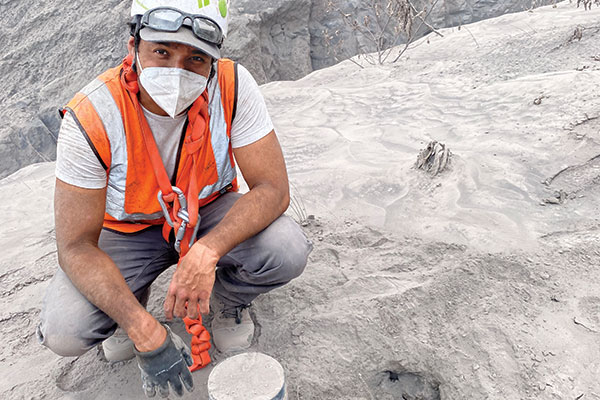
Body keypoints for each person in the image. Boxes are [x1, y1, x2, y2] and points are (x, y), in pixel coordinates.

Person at [36, 0, 312, 397]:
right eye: (161, 51)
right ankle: (129, 305)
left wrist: (207, 252)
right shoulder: (94, 114)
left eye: (196, 58)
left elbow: (273, 189)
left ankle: (229, 298)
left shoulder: (231, 86)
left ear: (214, 62)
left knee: (286, 248)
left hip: (209, 210)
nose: (176, 71)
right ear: (134, 45)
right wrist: (143, 328)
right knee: (66, 330)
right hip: (127, 229)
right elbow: (75, 245)